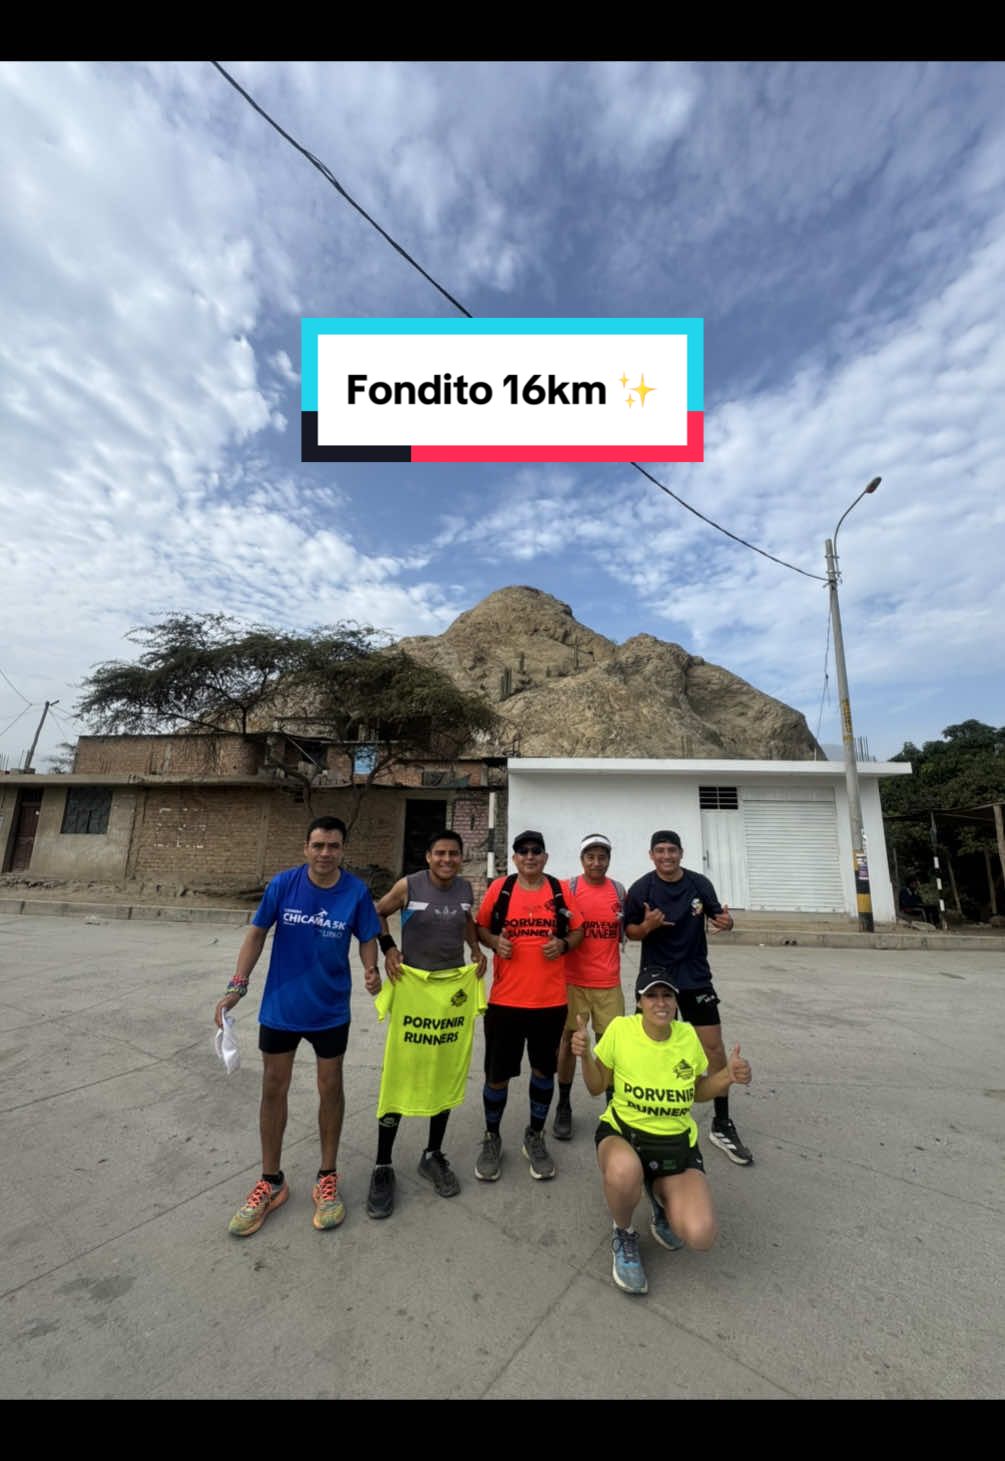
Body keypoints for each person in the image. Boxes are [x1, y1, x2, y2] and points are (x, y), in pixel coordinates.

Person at [215, 816, 380, 1237]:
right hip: (281, 1006)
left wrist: (371, 967)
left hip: (330, 1009)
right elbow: (256, 934)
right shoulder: (283, 885)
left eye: (333, 846)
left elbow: (367, 935)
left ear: (343, 850)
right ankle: (271, 1182)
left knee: (331, 1087)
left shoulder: (356, 892)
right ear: (306, 848)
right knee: (273, 1087)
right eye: (318, 845)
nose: (325, 853)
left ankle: (327, 1177)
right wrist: (237, 986)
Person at [572, 970, 752, 1295]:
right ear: (639, 1002)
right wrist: (585, 1055)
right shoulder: (621, 1030)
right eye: (651, 996)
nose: (660, 1003)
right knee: (624, 1171)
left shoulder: (686, 1035)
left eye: (667, 995)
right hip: (625, 1134)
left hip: (675, 1144)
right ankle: (624, 1231)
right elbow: (597, 1087)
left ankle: (657, 1193)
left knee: (700, 1234)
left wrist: (726, 1076)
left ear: (676, 1001)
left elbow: (697, 1091)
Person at [365, 829, 487, 1219]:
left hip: (450, 995)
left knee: (444, 1073)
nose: (447, 860)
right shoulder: (409, 885)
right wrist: (389, 949)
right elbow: (376, 912)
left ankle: (432, 1154)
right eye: (440, 853)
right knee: (400, 1074)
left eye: (454, 854)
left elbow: (467, 920)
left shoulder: (465, 889)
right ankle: (383, 1164)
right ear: (429, 856)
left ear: (461, 858)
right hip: (414, 991)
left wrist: (475, 948)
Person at [623, 830, 752, 1167]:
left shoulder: (699, 884)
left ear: (681, 853)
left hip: (695, 976)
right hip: (656, 980)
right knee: (649, 1048)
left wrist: (727, 922)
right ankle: (644, 1117)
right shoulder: (641, 889)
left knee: (713, 1049)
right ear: (651, 855)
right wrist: (647, 927)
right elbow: (630, 932)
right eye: (660, 851)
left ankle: (721, 1122)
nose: (666, 856)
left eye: (672, 850)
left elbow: (719, 916)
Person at [474, 829, 585, 1181]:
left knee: (543, 1072)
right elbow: (479, 928)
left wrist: (563, 945)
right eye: (523, 851)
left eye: (536, 850)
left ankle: (534, 1135)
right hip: (505, 1002)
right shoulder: (501, 889)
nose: (530, 856)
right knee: (497, 1075)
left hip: (550, 1003)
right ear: (515, 858)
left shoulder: (559, 890)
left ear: (545, 857)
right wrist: (494, 942)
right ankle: (492, 1137)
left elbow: (578, 930)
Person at [553, 833, 627, 1141]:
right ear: (582, 859)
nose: (596, 862)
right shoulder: (567, 889)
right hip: (573, 982)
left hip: (609, 984)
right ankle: (564, 1105)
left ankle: (613, 1109)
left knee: (611, 1048)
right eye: (590, 857)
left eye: (602, 857)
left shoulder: (619, 891)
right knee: (569, 1044)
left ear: (609, 859)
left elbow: (629, 928)